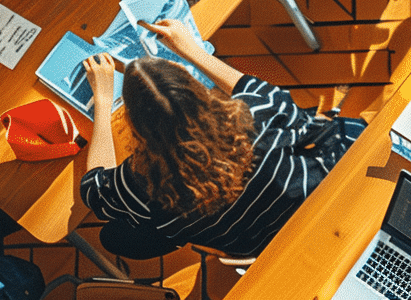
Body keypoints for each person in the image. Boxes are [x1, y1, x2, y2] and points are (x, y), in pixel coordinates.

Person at [79, 19, 365, 259]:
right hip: (310, 207)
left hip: (250, 245)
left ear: (136, 125)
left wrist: (103, 102)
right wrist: (191, 49)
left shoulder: (141, 182)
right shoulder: (257, 115)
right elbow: (248, 86)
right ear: (198, 93)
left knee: (114, 236)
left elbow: (93, 191)